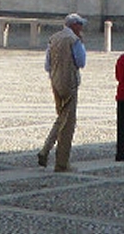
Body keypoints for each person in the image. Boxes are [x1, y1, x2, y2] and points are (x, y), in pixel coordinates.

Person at [38, 14, 87, 172]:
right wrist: (82, 42)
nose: (82, 28)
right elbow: (81, 61)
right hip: (69, 82)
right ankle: (62, 163)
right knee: (68, 123)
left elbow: (47, 64)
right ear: (75, 25)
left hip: (55, 81)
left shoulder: (54, 38)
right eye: (80, 25)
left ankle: (45, 150)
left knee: (61, 118)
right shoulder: (73, 39)